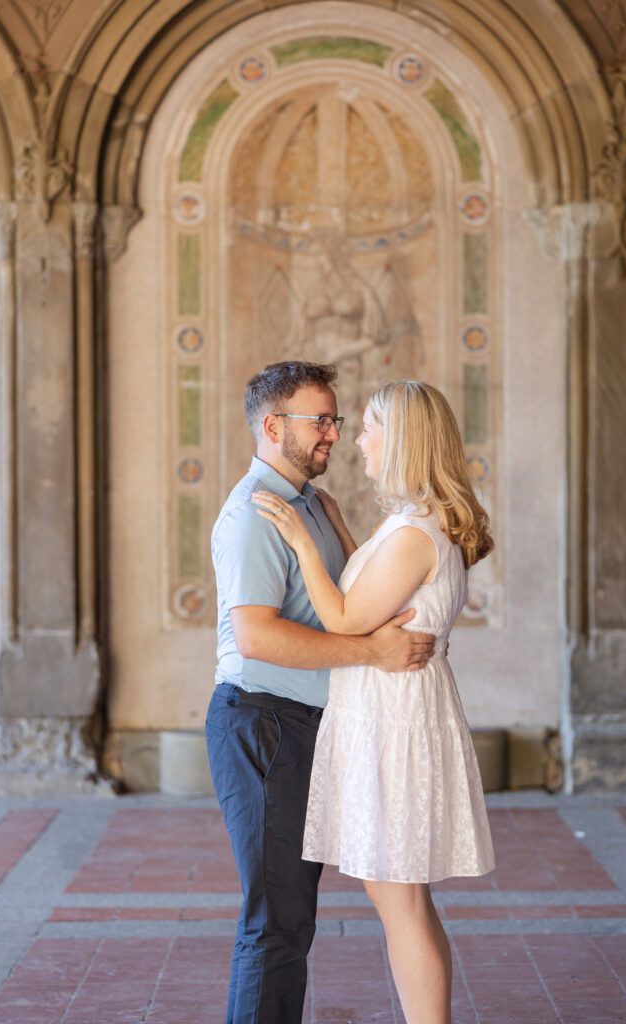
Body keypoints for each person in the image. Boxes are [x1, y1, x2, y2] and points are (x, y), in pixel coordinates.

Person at [253, 380, 496, 1024]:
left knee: (401, 904)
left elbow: (342, 619)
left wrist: (305, 541)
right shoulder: (414, 522)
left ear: (404, 439)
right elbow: (374, 592)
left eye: (367, 428)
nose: (356, 440)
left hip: (394, 720)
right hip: (394, 712)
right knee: (404, 900)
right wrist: (335, 525)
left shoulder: (417, 531)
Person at [206, 361, 436, 1024]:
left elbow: (355, 601)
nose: (332, 432)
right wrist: (372, 653)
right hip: (263, 724)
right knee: (275, 922)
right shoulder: (255, 514)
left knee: (291, 920)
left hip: (310, 723)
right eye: (321, 421)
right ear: (273, 426)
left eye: (336, 420)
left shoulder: (313, 502)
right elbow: (256, 638)